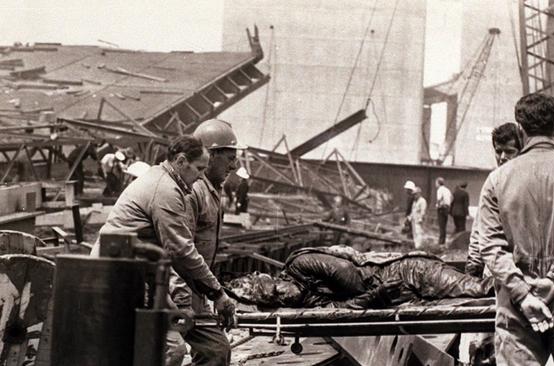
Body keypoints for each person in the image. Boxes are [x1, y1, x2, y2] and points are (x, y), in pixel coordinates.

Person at [94, 136, 237, 366]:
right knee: (170, 351)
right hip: (118, 276)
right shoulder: (166, 190)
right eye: (199, 168)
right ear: (181, 161)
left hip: (140, 274)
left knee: (203, 348)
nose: (201, 175)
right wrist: (217, 294)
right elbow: (180, 250)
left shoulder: (167, 181)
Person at [478, 93, 554, 365]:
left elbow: (492, 247)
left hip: (517, 304)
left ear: (520, 130)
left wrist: (523, 293)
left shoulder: (497, 180)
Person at [166, 119, 246, 366]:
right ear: (210, 156)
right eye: (229, 158)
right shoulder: (194, 191)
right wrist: (182, 302)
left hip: (197, 291)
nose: (234, 165)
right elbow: (178, 251)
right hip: (176, 292)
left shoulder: (214, 190)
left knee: (215, 352)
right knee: (172, 353)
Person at [227, 245, 493, 308]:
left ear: (273, 278)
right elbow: (344, 309)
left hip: (406, 272)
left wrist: (367, 297)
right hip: (394, 293)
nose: (284, 296)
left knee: (479, 290)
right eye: (277, 300)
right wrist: (374, 296)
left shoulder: (300, 264)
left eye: (276, 290)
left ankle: (527, 286)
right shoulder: (305, 301)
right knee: (470, 300)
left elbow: (348, 275)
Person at [465, 123, 523, 277]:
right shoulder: (493, 183)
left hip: (524, 271)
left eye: (510, 151)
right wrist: (473, 266)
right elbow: (479, 227)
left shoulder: (528, 183)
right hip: (495, 272)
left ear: (522, 151)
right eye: (498, 151)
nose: (503, 157)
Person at [435, 177, 452, 245]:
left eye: (436, 183)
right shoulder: (447, 190)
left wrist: (437, 205)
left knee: (441, 225)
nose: (435, 185)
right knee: (444, 225)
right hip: (447, 208)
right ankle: (443, 240)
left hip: (441, 208)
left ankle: (441, 242)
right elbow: (451, 197)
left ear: (438, 183)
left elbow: (439, 198)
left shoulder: (440, 190)